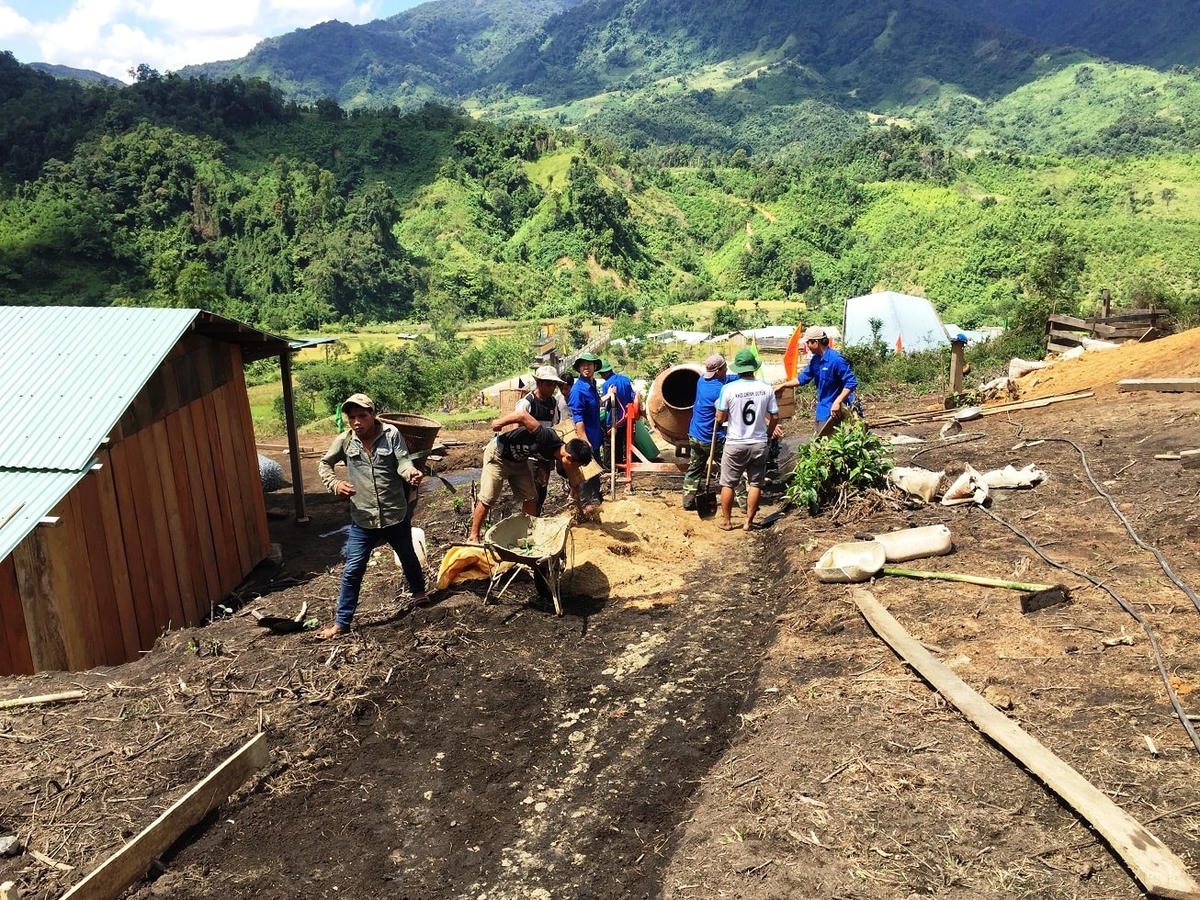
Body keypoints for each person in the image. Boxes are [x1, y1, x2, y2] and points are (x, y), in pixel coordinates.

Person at [316, 393, 427, 639]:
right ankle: (342, 623)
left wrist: (411, 474)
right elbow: (324, 464)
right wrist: (335, 484)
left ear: (373, 414)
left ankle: (419, 593)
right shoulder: (345, 441)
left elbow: (403, 463)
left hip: (394, 513)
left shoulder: (391, 434)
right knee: (353, 569)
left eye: (362, 416)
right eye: (352, 417)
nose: (357, 422)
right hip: (363, 518)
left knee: (407, 555)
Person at [467, 410, 594, 543]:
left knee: (531, 498)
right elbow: (522, 415)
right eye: (576, 465)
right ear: (568, 457)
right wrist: (499, 423)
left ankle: (527, 535)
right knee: (489, 497)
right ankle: (473, 536)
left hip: (519, 461)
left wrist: (544, 469)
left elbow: (571, 480)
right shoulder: (546, 437)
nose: (575, 469)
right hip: (499, 454)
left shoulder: (560, 453)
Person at [715, 348, 779, 531]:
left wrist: (723, 416)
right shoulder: (766, 388)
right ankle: (748, 522)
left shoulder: (728, 389)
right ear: (753, 368)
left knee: (728, 483)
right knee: (755, 483)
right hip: (758, 443)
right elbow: (775, 417)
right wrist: (768, 434)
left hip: (735, 443)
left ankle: (727, 522)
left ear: (738, 369)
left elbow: (720, 418)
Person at [776, 325, 859, 437]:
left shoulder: (836, 359)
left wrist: (838, 401)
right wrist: (784, 385)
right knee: (822, 442)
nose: (807, 346)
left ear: (815, 342)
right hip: (824, 409)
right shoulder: (815, 360)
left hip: (839, 409)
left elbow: (851, 382)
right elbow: (802, 379)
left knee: (840, 442)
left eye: (808, 343)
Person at [683, 353, 739, 510]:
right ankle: (744, 503)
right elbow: (721, 416)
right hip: (712, 438)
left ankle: (687, 502)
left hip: (694, 434)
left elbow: (726, 379)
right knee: (731, 468)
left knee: (694, 469)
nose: (727, 369)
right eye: (725, 368)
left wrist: (741, 377)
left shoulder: (702, 380)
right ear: (718, 370)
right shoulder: (719, 391)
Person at [515, 365, 569, 513]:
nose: (553, 388)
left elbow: (554, 427)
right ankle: (528, 524)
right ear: (539, 383)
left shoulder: (552, 402)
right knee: (531, 494)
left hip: (544, 455)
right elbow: (518, 428)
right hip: (529, 456)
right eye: (549, 384)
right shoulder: (527, 403)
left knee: (542, 490)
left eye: (554, 384)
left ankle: (535, 520)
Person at [567, 352, 605, 511]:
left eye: (589, 364)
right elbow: (578, 418)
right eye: (583, 365)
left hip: (595, 436)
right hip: (586, 439)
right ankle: (584, 506)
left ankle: (596, 501)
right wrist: (584, 440)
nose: (586, 368)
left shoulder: (592, 385)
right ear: (579, 368)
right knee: (586, 474)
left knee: (595, 473)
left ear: (595, 366)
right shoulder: (578, 390)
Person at [597, 360, 636, 466]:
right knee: (626, 442)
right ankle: (624, 463)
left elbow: (607, 404)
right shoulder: (626, 380)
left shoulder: (607, 385)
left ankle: (611, 466)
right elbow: (633, 397)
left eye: (601, 374)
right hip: (627, 418)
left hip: (614, 420)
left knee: (610, 443)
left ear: (604, 373)